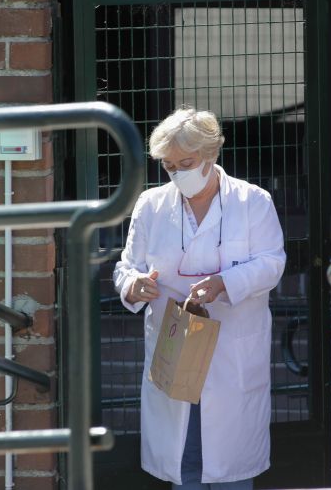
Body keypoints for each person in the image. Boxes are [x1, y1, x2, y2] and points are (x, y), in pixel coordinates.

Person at [113, 107, 286, 490]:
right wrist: (134, 285)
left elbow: (273, 263)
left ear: (211, 154)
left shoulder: (252, 201)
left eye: (186, 163)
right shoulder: (151, 205)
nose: (177, 174)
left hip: (231, 352)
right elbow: (126, 267)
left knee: (232, 472)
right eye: (169, 166)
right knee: (185, 466)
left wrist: (225, 282)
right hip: (175, 349)